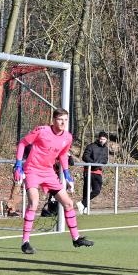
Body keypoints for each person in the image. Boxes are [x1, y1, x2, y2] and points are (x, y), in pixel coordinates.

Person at [13, 108, 93, 254]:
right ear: (54, 120)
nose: (63, 122)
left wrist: (67, 173)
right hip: (32, 170)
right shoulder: (41, 130)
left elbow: (63, 155)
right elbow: (22, 143)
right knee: (34, 203)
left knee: (68, 203)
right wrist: (18, 164)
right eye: (60, 119)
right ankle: (25, 242)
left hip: (49, 172)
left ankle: (76, 239)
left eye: (65, 120)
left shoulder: (68, 137)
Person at [77, 131, 109, 215]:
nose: (102, 140)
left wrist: (99, 163)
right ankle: (84, 207)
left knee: (97, 190)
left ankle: (82, 203)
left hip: (98, 172)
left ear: (106, 140)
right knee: (86, 190)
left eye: (104, 139)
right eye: (101, 139)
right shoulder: (91, 146)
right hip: (89, 171)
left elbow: (105, 159)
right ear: (98, 138)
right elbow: (85, 156)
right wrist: (93, 163)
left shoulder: (106, 148)